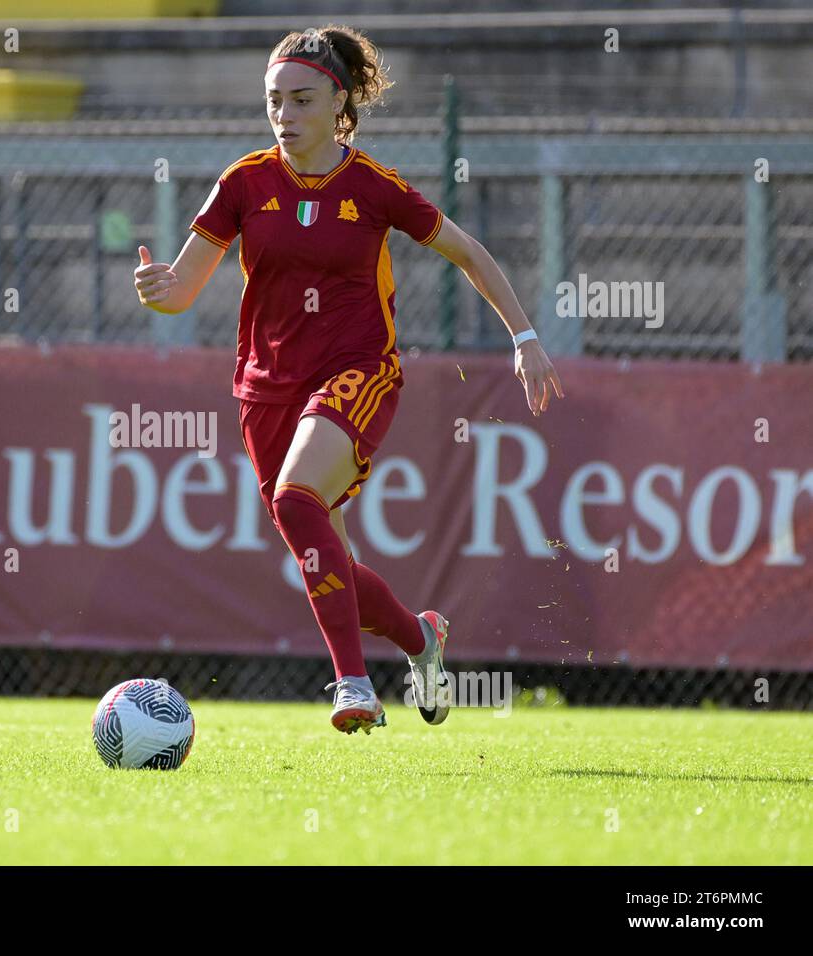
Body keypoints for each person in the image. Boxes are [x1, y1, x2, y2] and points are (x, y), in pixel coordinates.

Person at [134, 24, 564, 734]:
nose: (285, 116)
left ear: (339, 104)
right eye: (275, 102)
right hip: (264, 389)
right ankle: (424, 640)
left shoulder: (372, 186)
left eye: (301, 100)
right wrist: (158, 287)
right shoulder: (243, 183)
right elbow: (183, 288)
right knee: (326, 559)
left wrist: (525, 337)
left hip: (356, 373)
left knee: (298, 502)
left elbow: (470, 253)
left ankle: (353, 686)